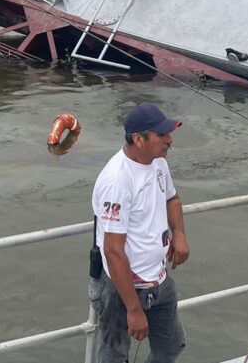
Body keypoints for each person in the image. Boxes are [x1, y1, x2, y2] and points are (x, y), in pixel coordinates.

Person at [90, 102, 189, 363]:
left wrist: (179, 234)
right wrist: (133, 309)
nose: (169, 140)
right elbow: (112, 250)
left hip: (159, 279)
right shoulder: (117, 181)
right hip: (123, 288)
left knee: (171, 346)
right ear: (138, 139)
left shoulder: (158, 162)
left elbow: (173, 199)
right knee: (114, 356)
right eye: (161, 135)